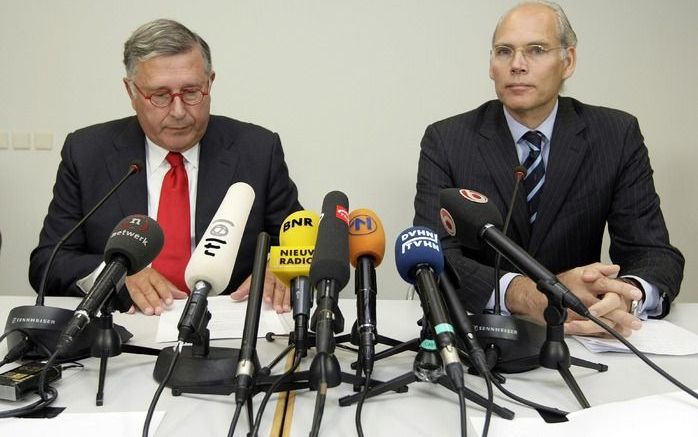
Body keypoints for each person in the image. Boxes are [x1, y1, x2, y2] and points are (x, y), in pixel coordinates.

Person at [413, 1, 684, 336]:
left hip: (581, 336)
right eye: (503, 51)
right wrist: (528, 295)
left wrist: (623, 296)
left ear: (568, 61)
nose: (517, 65)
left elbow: (653, 252)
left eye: (536, 50)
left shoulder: (616, 134)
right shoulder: (447, 140)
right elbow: (433, 255)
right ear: (491, 65)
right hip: (483, 335)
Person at [29, 19, 301, 315]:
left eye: (191, 92)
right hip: (127, 325)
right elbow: (48, 262)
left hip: (228, 326)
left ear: (210, 83)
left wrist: (284, 268)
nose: (179, 111)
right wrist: (112, 276)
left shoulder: (257, 150)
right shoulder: (87, 152)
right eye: (160, 95)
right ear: (131, 92)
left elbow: (300, 242)